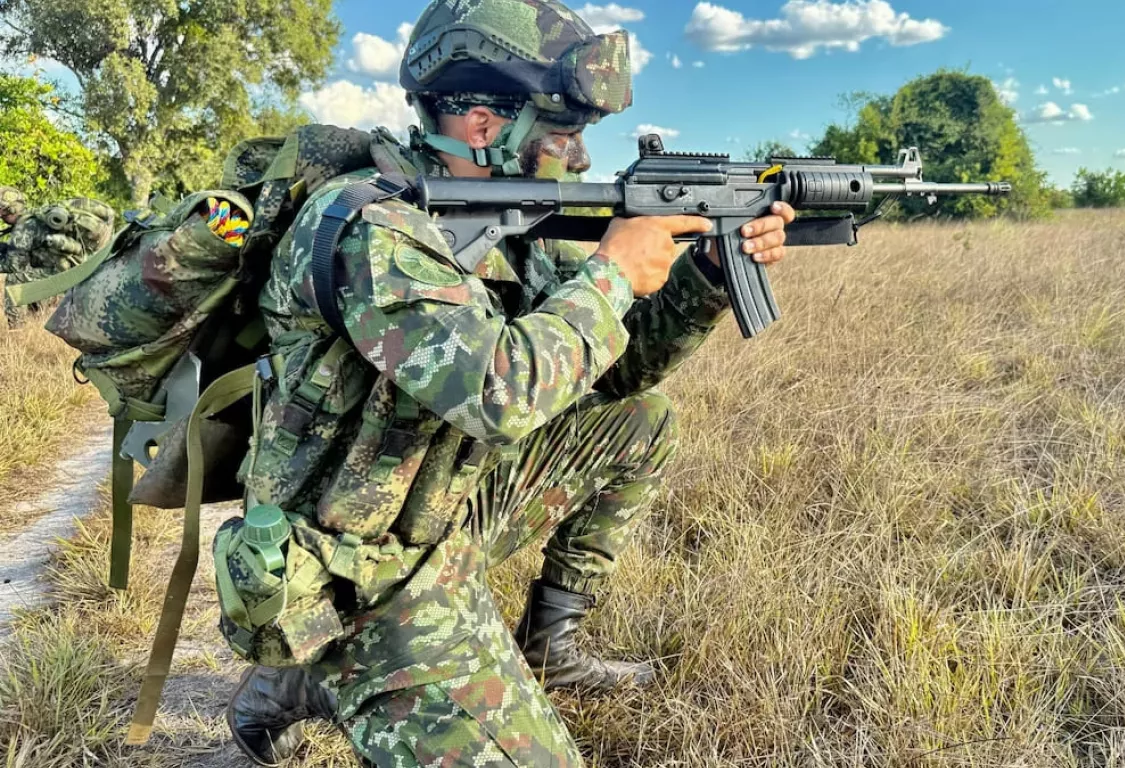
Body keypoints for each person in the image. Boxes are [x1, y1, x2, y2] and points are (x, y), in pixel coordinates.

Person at [224, 1, 795, 765]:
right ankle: (320, 661)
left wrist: (711, 273)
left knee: (642, 419)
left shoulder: (511, 225)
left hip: (438, 508)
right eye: (565, 134)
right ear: (484, 126)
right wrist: (610, 275)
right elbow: (500, 394)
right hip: (354, 570)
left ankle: (549, 644)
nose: (582, 158)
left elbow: (618, 372)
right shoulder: (373, 227)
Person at [0, 190, 115, 325]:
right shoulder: (34, 218)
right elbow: (23, 254)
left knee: (15, 279)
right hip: (71, 268)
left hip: (63, 274)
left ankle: (17, 327)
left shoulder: (23, 227)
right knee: (29, 273)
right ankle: (36, 317)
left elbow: (13, 266)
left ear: (9, 210)